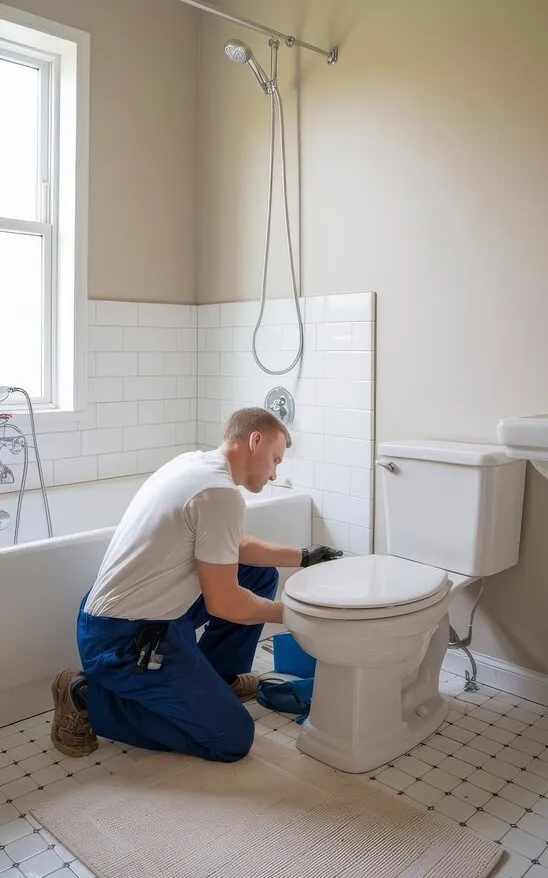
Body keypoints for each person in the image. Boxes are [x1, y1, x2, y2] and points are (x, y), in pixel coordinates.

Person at [50, 407, 342, 764]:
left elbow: (234, 543)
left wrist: (303, 556)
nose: (275, 473)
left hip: (124, 615)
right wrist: (298, 614)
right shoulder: (219, 493)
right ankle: (87, 696)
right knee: (232, 737)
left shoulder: (193, 464)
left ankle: (220, 677)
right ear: (255, 440)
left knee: (259, 574)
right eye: (276, 459)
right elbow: (225, 604)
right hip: (125, 640)